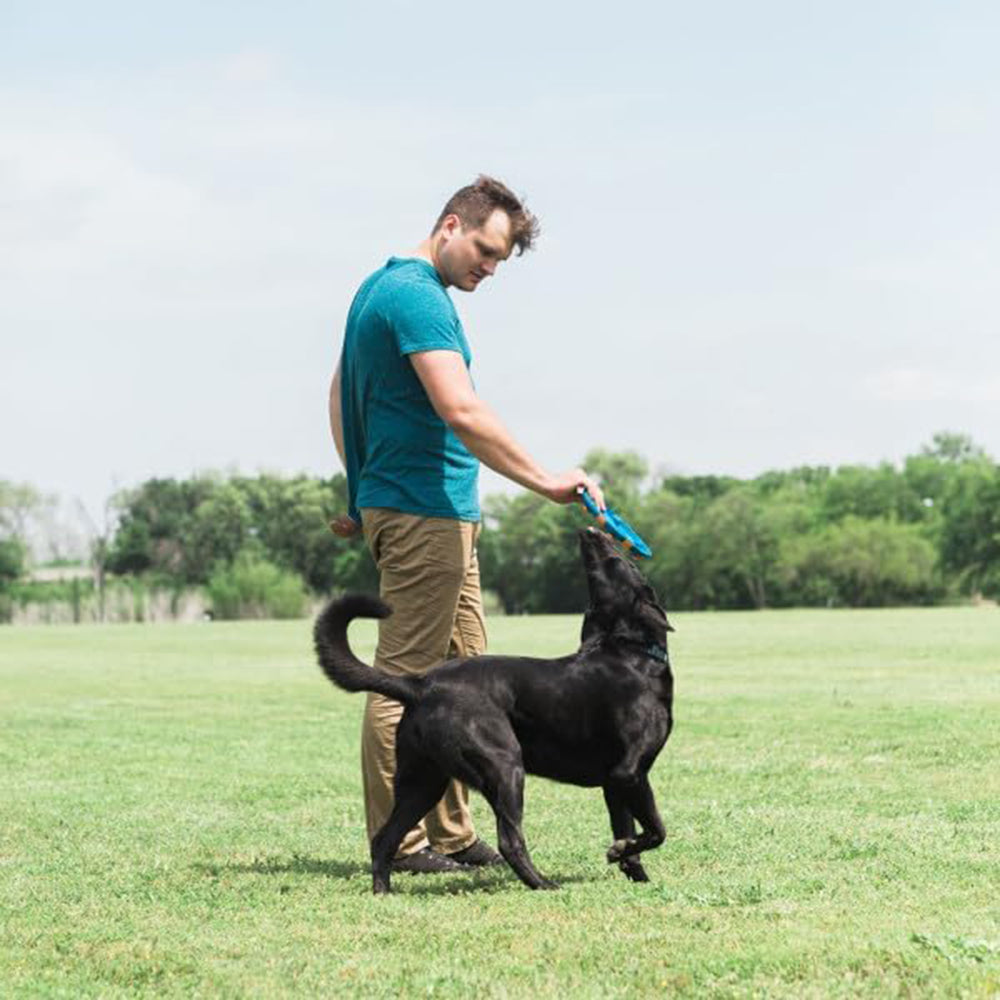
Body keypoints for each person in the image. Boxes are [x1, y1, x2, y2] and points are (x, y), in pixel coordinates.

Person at [328, 175, 605, 874]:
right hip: (424, 514)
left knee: (460, 689)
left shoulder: (378, 290)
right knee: (405, 681)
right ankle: (405, 842)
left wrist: (362, 489)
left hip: (431, 508)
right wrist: (546, 480)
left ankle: (451, 835)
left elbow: (338, 393)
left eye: (499, 261)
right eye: (484, 251)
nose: (487, 268)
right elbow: (462, 409)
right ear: (451, 225)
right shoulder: (418, 298)